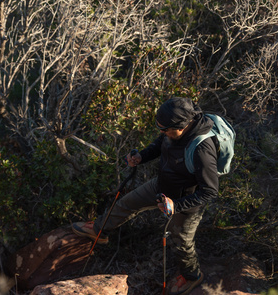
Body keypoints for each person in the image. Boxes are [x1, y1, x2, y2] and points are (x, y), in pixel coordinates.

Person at [72, 97, 219, 295]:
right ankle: (99, 230)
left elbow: (209, 191)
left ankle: (191, 276)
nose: (162, 133)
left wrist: (176, 205)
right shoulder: (171, 132)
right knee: (127, 203)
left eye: (165, 129)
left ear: (183, 126)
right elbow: (161, 144)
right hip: (161, 187)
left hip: (185, 203)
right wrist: (141, 156)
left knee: (181, 241)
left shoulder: (202, 149)